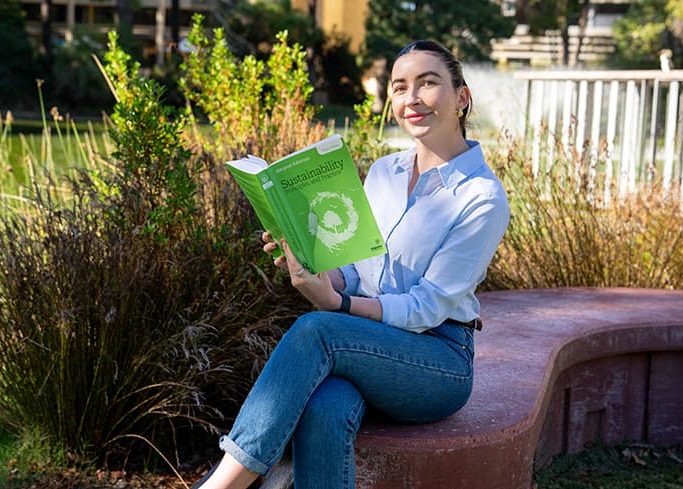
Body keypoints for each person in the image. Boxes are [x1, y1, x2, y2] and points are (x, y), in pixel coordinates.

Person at [193, 39, 510, 489]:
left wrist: (337, 305)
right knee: (326, 405)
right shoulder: (385, 171)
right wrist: (316, 273)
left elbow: (428, 307)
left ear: (461, 97)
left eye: (428, 83)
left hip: (438, 359)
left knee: (315, 330)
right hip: (369, 344)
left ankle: (224, 483)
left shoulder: (481, 197)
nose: (411, 99)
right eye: (400, 87)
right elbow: (360, 271)